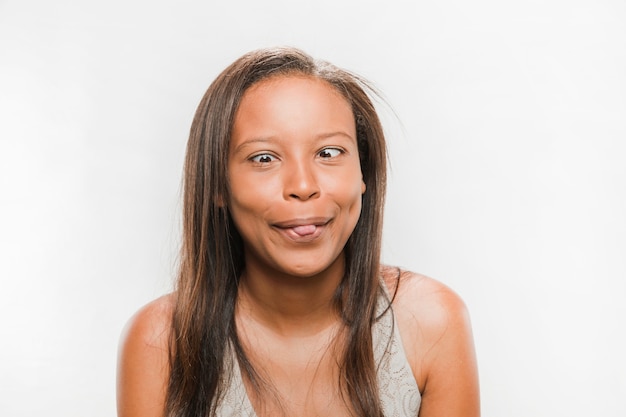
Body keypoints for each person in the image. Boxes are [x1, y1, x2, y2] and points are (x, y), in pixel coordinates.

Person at [116, 46, 480, 417]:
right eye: (264, 158)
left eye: (328, 152)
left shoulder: (432, 322)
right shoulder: (159, 343)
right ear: (218, 186)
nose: (303, 185)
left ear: (363, 174)